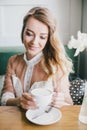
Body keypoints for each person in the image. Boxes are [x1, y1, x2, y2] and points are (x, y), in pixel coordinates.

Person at [1, 6, 73, 109]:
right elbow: (5, 98)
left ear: (48, 39)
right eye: (29, 34)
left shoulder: (57, 65)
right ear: (23, 32)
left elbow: (69, 104)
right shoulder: (13, 61)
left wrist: (61, 103)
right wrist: (19, 101)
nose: (34, 42)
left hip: (46, 122)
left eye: (42, 37)